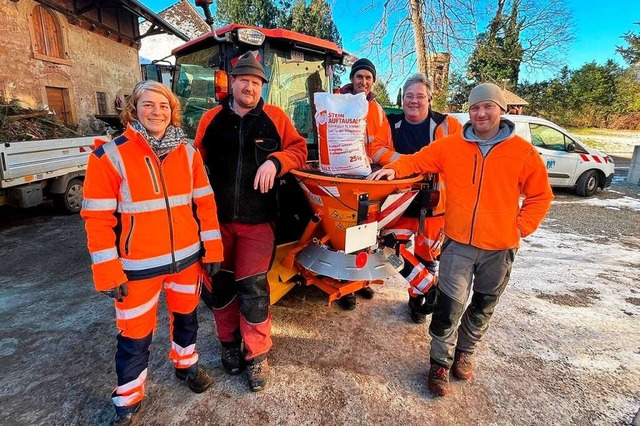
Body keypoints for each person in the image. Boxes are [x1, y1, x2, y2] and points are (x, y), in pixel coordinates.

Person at [368, 83, 553, 397]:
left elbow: (540, 196)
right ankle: (439, 361)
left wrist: (520, 228)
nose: (480, 113)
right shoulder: (452, 146)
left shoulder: (522, 152)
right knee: (448, 306)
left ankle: (465, 352)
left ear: (501, 109)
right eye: (475, 108)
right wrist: (392, 169)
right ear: (469, 112)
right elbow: (417, 161)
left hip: (500, 247)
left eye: (488, 107)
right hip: (458, 243)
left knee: (483, 305)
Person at [81, 81, 223, 425]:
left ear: (172, 111)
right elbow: (97, 218)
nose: (156, 111)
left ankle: (186, 365)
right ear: (134, 109)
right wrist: (107, 271)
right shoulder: (109, 156)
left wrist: (213, 247)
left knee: (187, 320)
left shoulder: (189, 154)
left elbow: (205, 204)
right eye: (148, 105)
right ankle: (128, 399)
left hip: (186, 261)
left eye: (163, 105)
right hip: (136, 267)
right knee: (134, 335)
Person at [194, 51, 307, 392]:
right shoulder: (210, 119)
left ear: (263, 87)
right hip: (217, 221)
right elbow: (194, 164)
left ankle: (257, 354)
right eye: (244, 80)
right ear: (231, 82)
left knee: (253, 288)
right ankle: (229, 345)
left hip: (259, 222)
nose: (250, 87)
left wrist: (276, 161)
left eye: (257, 82)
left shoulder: (275, 117)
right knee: (221, 286)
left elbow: (299, 149)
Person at [378, 73, 462, 324]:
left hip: (434, 205)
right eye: (409, 96)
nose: (413, 101)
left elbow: (456, 158)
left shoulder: (447, 125)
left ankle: (416, 299)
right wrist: (409, 165)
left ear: (430, 98)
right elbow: (377, 150)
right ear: (402, 98)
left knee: (428, 258)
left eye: (420, 96)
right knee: (389, 249)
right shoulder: (391, 123)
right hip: (398, 203)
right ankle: (430, 286)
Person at [337, 57, 393, 310]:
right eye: (359, 77)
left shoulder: (378, 110)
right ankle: (342, 282)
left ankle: (361, 279)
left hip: (368, 175)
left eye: (368, 78)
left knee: (366, 229)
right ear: (352, 79)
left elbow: (384, 142)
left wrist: (384, 167)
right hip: (342, 174)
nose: (364, 81)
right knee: (342, 230)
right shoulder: (337, 101)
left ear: (373, 82)